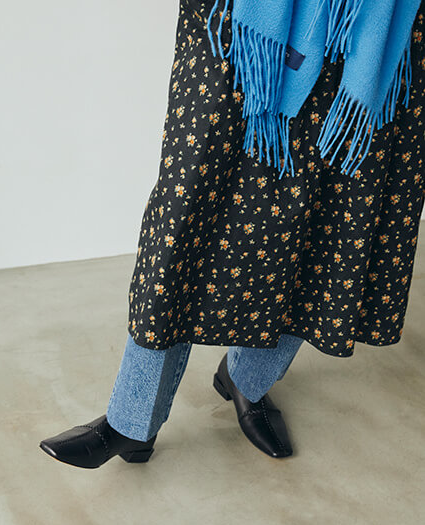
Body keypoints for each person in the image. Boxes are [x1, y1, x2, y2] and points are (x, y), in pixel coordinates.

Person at [39, 0, 425, 469]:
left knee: (328, 221)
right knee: (187, 215)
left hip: (374, 17)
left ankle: (249, 380)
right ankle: (131, 420)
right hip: (241, 19)